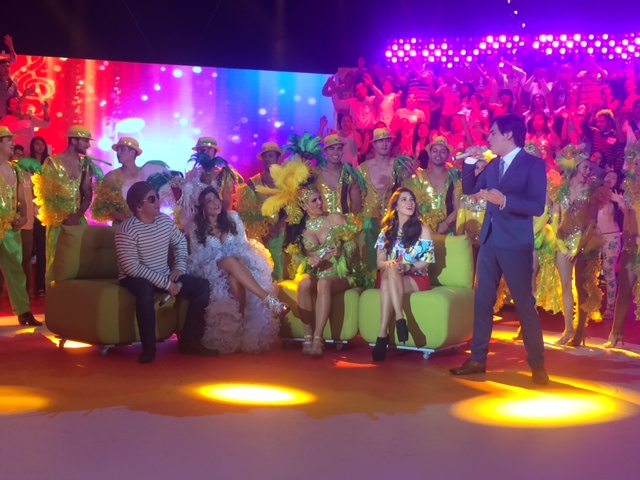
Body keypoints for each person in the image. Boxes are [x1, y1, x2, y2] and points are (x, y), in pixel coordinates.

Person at [450, 114, 549, 385]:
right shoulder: (493, 165)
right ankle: (478, 358)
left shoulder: (533, 164)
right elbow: (470, 188)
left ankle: (537, 363)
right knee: (483, 301)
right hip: (490, 240)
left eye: (493, 132)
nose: (489, 137)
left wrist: (505, 201)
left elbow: (537, 206)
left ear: (508, 134)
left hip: (515, 243)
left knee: (524, 304)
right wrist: (470, 162)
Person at [259, 161, 359, 357]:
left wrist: (340, 253)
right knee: (304, 282)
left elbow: (353, 248)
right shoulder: (298, 229)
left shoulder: (335, 219)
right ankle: (307, 335)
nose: (320, 203)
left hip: (338, 274)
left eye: (320, 198)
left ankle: (318, 338)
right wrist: (308, 260)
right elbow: (295, 261)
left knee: (324, 283)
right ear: (304, 206)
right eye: (314, 201)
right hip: (315, 272)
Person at [115, 181, 218, 363]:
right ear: (139, 206)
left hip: (163, 274)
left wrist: (179, 267)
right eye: (152, 199)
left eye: (157, 197)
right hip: (134, 278)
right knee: (145, 289)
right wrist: (166, 284)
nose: (158, 201)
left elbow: (180, 242)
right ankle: (148, 349)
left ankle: (189, 342)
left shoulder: (164, 221)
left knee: (201, 286)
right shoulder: (126, 229)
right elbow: (132, 267)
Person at [186, 186, 284, 354]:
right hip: (211, 268)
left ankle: (238, 329)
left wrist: (240, 258)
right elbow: (198, 256)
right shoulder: (196, 226)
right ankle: (268, 299)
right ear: (202, 207)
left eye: (216, 198)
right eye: (209, 201)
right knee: (229, 262)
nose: (215, 203)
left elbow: (243, 244)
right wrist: (223, 260)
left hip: (237, 266)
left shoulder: (232, 217)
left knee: (234, 278)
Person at [372, 187, 435, 361]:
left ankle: (383, 334)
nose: (410, 203)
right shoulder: (386, 232)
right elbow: (379, 262)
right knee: (391, 269)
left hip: (416, 276)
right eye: (404, 200)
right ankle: (400, 319)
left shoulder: (422, 229)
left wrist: (407, 268)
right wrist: (391, 264)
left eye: (412, 199)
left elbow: (427, 261)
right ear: (396, 206)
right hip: (391, 275)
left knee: (388, 278)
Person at [32, 126, 97, 286]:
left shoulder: (85, 165)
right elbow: (45, 197)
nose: (88, 145)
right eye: (85, 141)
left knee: (80, 264)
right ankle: (54, 300)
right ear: (73, 140)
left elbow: (88, 195)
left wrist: (76, 216)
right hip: (57, 222)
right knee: (55, 266)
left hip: (78, 222)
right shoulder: (52, 163)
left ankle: (75, 300)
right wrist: (62, 218)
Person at [552, 145, 602, 346]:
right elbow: (555, 219)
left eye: (589, 168)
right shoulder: (561, 190)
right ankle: (568, 330)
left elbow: (592, 223)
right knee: (565, 285)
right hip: (563, 240)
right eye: (585, 167)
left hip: (584, 242)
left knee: (581, 288)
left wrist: (577, 248)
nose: (588, 171)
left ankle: (580, 331)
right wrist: (563, 246)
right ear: (575, 168)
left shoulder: (593, 192)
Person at [0, 126, 41, 326]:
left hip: (9, 228)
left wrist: (24, 216)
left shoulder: (15, 169)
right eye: (8, 140)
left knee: (16, 269)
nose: (12, 144)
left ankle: (23, 311)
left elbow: (21, 198)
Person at [358, 127, 414, 271]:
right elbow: (358, 195)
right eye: (380, 141)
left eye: (387, 140)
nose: (384, 144)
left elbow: (406, 191)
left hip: (392, 220)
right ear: (374, 144)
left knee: (392, 260)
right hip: (370, 220)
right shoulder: (363, 168)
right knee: (371, 261)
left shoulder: (398, 165)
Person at [235, 141, 286, 280]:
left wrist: (278, 227)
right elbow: (247, 212)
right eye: (265, 156)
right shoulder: (253, 182)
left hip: (284, 228)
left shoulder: (287, 181)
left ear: (278, 158)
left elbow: (292, 208)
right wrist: (266, 228)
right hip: (260, 231)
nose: (267, 159)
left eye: (271, 155)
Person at [605, 145, 640, 347]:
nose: (637, 166)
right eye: (636, 163)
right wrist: (623, 205)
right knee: (625, 287)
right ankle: (615, 333)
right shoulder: (630, 190)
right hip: (631, 245)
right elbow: (630, 215)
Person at [92, 137, 169, 225]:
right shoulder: (111, 177)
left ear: (132, 152)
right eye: (117, 150)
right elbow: (103, 205)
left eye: (122, 149)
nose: (118, 153)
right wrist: (128, 221)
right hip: (122, 225)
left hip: (147, 226)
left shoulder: (146, 173)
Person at [403, 136, 460, 234]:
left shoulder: (454, 177)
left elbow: (459, 207)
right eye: (435, 151)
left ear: (447, 155)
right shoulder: (419, 178)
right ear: (429, 154)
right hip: (423, 232)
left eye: (442, 151)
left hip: (449, 233)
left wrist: (446, 224)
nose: (438, 154)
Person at [597, 170, 624, 320]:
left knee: (608, 271)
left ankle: (610, 307)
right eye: (608, 175)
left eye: (614, 177)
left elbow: (629, 212)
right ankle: (592, 304)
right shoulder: (594, 192)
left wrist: (619, 201)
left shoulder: (616, 197)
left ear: (616, 183)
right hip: (594, 237)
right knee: (590, 272)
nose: (610, 178)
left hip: (611, 237)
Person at [315, 134, 363, 215]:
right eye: (332, 149)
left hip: (345, 221)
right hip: (322, 221)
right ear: (325, 151)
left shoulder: (350, 173)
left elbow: (356, 205)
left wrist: (351, 221)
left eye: (339, 149)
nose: (336, 152)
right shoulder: (316, 173)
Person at [29, 136, 48, 297]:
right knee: (31, 250)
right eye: (37, 143)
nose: (40, 147)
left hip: (46, 211)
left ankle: (43, 285)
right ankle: (33, 286)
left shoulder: (49, 164)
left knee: (44, 250)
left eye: (42, 144)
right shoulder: (26, 164)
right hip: (30, 210)